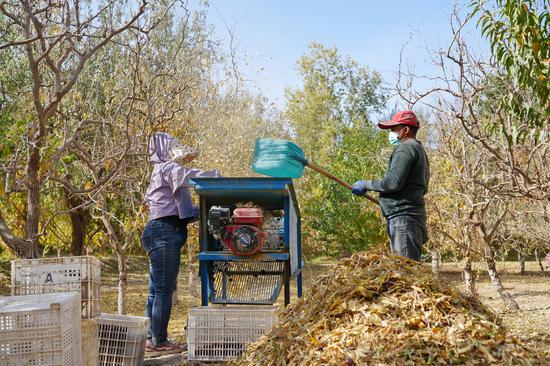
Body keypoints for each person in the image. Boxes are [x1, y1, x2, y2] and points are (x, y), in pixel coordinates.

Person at [142, 132, 219, 352]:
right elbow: (187, 176)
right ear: (166, 149)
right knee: (165, 289)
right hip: (163, 232)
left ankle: (151, 338)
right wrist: (216, 177)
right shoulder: (167, 168)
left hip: (157, 231)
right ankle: (160, 341)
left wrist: (202, 212)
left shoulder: (160, 172)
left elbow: (181, 210)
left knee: (155, 290)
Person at [351, 110, 430, 261]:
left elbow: (392, 182)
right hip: (410, 219)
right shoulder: (419, 150)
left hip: (404, 221)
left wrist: (366, 184)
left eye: (394, 129)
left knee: (406, 274)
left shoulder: (406, 148)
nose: (391, 132)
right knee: (408, 271)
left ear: (406, 130)